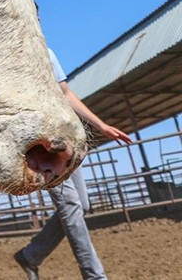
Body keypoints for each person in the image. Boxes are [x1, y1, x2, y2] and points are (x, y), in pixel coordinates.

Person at [13, 46, 133, 280]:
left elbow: (65, 93)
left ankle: (31, 255)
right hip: (42, 145)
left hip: (64, 139)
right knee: (71, 207)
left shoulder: (45, 52)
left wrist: (101, 126)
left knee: (83, 205)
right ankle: (95, 276)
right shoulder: (8, 53)